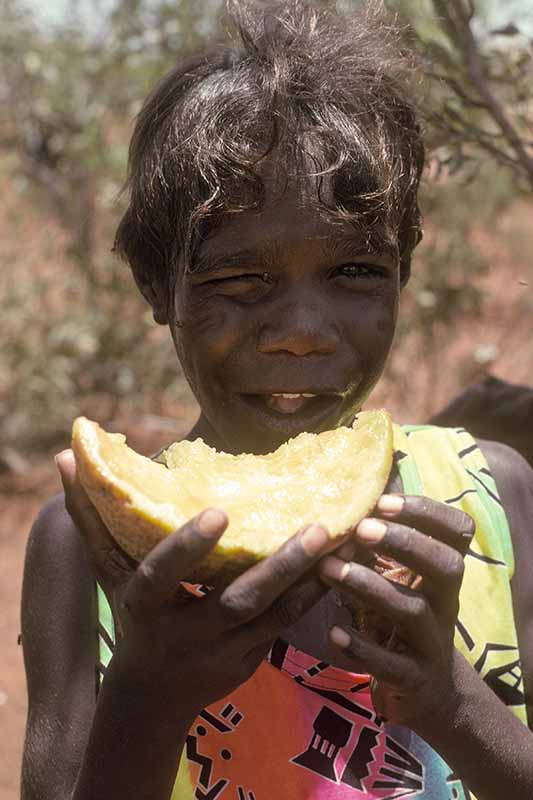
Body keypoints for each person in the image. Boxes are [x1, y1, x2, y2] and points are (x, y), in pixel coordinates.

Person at [20, 2, 533, 798]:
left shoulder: (492, 497)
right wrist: (147, 698)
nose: (300, 333)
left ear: (404, 270)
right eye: (238, 280)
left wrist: (449, 698)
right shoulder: (92, 541)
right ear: (158, 284)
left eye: (354, 271)